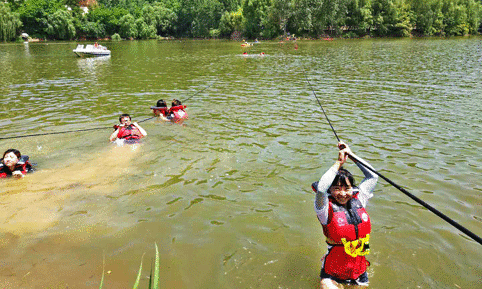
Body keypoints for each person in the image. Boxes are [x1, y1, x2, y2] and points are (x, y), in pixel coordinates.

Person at [312, 141, 378, 288]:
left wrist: (351, 154)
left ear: (353, 189)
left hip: (359, 271)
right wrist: (339, 162)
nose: (342, 193)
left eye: (347, 188)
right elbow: (322, 188)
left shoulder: (359, 199)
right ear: (331, 190)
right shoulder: (323, 208)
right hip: (332, 273)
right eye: (336, 188)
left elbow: (373, 176)